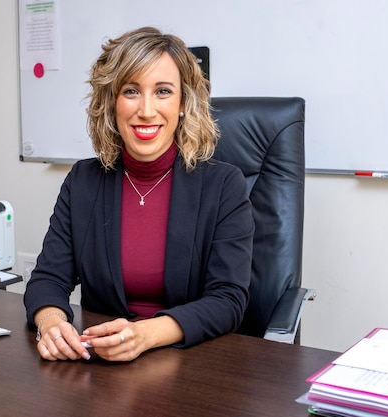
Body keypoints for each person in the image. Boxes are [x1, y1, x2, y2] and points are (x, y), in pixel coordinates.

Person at [24, 26, 254, 362]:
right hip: (98, 368)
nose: (146, 110)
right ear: (112, 102)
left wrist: (146, 334)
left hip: (192, 368)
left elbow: (228, 299)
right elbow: (48, 278)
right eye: (131, 91)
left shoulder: (224, 186)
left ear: (182, 104)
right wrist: (51, 322)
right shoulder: (83, 181)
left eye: (162, 91)